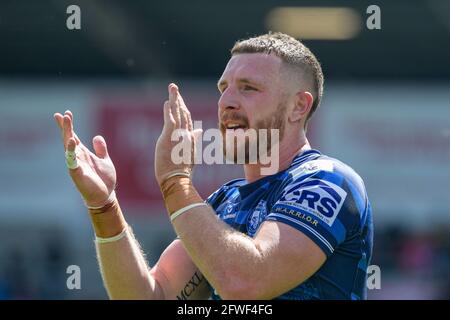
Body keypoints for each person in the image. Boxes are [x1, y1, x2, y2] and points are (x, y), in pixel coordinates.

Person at [54, 32, 373, 300]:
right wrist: (104, 206)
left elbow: (246, 283)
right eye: (224, 88)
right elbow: (154, 296)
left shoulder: (327, 181)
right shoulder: (223, 203)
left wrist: (175, 181)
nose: (227, 102)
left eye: (248, 87)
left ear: (298, 106)